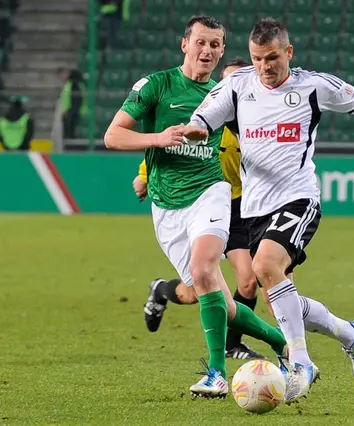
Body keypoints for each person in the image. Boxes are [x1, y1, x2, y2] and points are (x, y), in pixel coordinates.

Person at [182, 18, 354, 403]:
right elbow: (204, 117)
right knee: (281, 297)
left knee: (263, 268)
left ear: (288, 52)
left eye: (272, 58)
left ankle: (300, 362)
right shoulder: (238, 85)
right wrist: (194, 128)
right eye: (257, 59)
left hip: (298, 197)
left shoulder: (312, 85)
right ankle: (350, 334)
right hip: (255, 209)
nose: (264, 67)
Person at [103, 16, 288, 399]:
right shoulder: (156, 85)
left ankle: (216, 374)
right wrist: (158, 138)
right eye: (201, 42)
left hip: (211, 191)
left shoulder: (226, 93)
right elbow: (112, 135)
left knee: (204, 269)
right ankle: (282, 343)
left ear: (222, 52)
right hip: (167, 207)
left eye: (215, 45)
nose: (208, 51)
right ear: (185, 44)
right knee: (217, 296)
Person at [135, 58, 265, 361]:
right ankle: (163, 291)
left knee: (247, 280)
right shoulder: (208, 115)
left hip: (241, 204)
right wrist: (143, 175)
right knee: (196, 291)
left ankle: (232, 344)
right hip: (207, 200)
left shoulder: (256, 120)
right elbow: (176, 149)